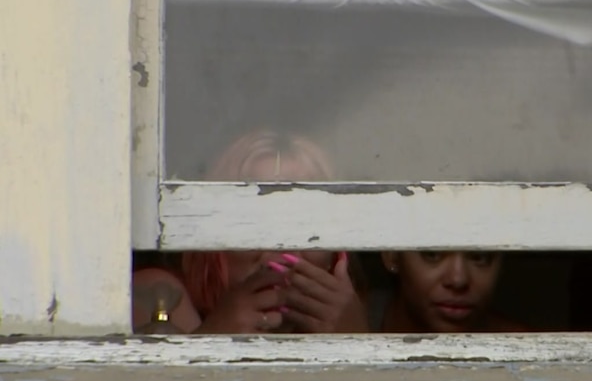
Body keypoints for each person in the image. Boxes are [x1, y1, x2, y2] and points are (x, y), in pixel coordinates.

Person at [132, 129, 368, 334]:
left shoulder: (361, 316)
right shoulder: (160, 295)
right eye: (255, 216)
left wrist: (357, 343)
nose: (282, 244)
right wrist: (213, 342)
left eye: (305, 219)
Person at [373, 251, 528, 333]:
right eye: (433, 254)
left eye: (480, 257)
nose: (458, 279)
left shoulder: (529, 354)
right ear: (391, 254)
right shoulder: (354, 329)